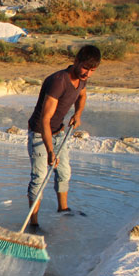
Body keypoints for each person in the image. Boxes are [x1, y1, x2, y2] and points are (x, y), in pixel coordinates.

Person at [26, 45, 101, 228]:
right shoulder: (58, 81)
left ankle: (63, 209)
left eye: (92, 70)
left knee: (64, 171)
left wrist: (78, 114)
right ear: (76, 61)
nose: (87, 74)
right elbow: (45, 119)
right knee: (40, 178)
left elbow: (82, 96)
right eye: (85, 68)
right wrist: (50, 151)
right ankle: (33, 223)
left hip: (59, 132)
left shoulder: (82, 79)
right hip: (40, 134)